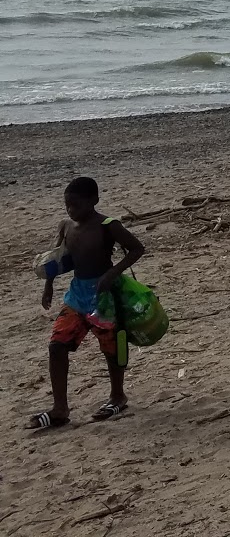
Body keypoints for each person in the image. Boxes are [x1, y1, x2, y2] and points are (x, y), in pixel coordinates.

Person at [30, 177, 145, 429]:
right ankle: (60, 408)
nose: (71, 210)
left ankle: (118, 396)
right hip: (77, 295)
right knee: (57, 345)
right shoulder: (66, 226)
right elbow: (56, 259)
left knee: (111, 347)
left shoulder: (108, 225)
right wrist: (48, 285)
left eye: (76, 205)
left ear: (94, 201)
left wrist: (111, 273)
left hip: (104, 296)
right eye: (67, 205)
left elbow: (137, 249)